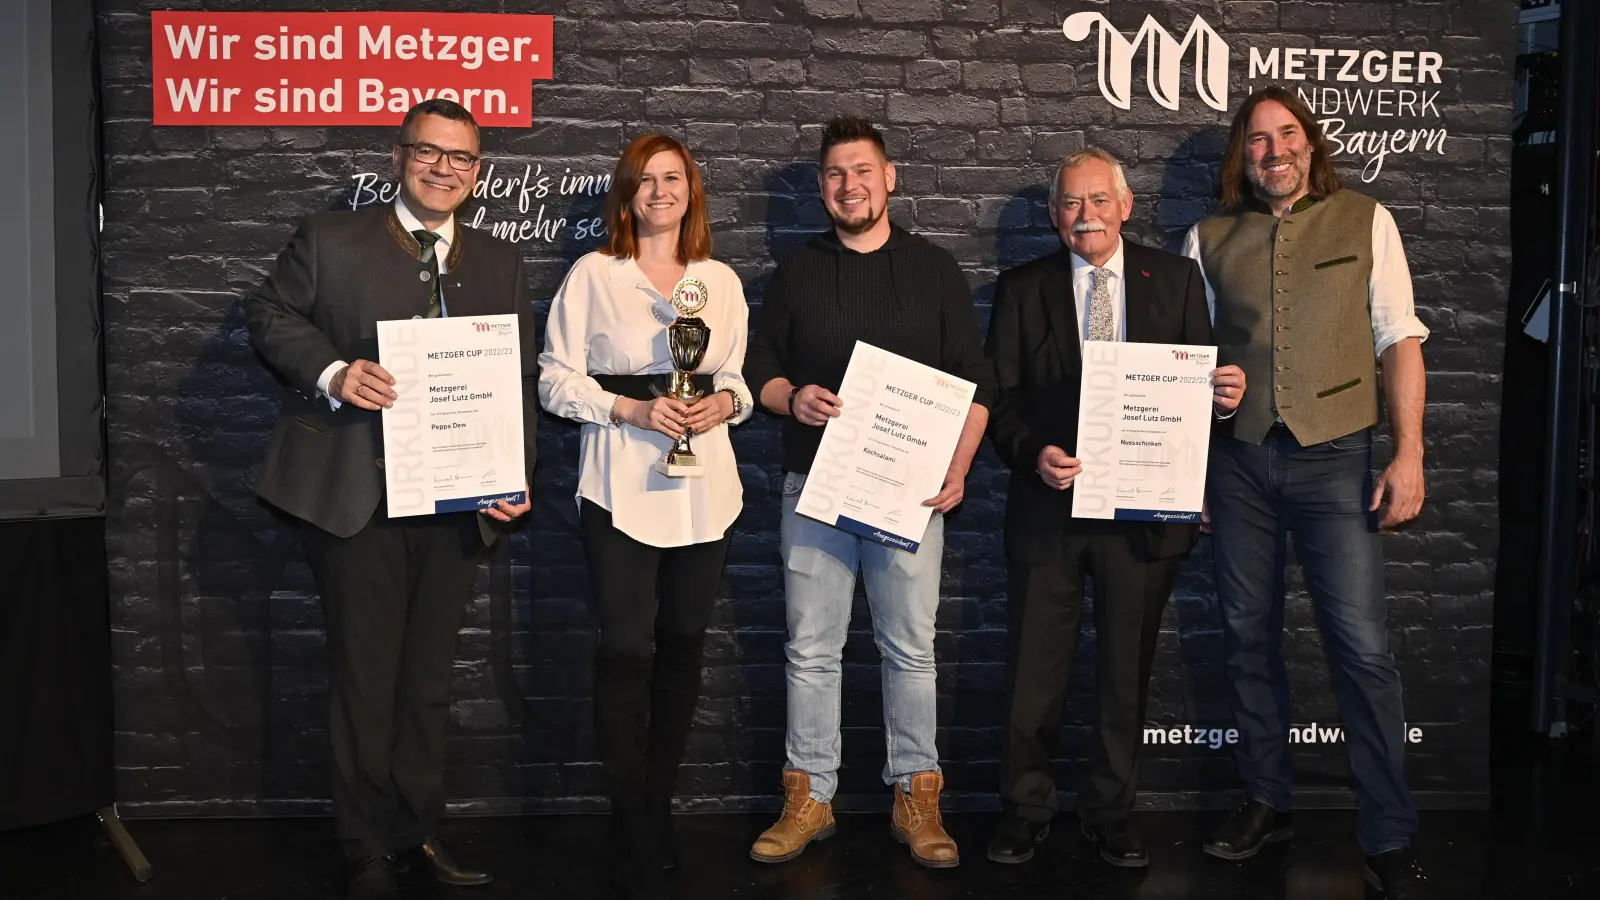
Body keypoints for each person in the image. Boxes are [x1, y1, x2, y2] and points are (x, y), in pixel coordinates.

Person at [245, 99, 535, 896]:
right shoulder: (330, 238)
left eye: (462, 158)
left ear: (478, 173)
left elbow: (513, 381)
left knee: (429, 683)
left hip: (456, 503)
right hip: (354, 497)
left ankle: (417, 832)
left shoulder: (500, 262)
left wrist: (514, 479)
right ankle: (363, 845)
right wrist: (336, 373)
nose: (445, 168)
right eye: (429, 153)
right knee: (365, 679)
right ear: (400, 156)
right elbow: (266, 314)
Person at [1181, 85, 1431, 898]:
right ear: (1240, 155)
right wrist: (1198, 428)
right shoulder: (1207, 237)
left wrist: (1409, 453)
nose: (1273, 151)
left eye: (1287, 135)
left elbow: (1399, 339)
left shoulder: (1367, 220)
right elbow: (1184, 357)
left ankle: (1387, 832)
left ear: (1310, 144)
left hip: (1338, 460)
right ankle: (1266, 797)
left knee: (1360, 648)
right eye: (1256, 140)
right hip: (1240, 462)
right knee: (1245, 636)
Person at [743, 116, 996, 869]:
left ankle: (917, 796)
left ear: (890, 179)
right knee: (811, 650)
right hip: (813, 491)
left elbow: (976, 383)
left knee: (910, 650)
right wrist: (796, 399)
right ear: (822, 188)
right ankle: (809, 795)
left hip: (909, 496)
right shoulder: (795, 272)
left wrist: (959, 466)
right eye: (834, 175)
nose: (849, 186)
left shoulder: (935, 270)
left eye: (862, 171)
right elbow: (763, 374)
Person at [982, 148, 1246, 868]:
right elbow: (998, 399)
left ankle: (1112, 810)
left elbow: (1196, 395)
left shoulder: (1179, 280)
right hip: (1049, 509)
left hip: (1143, 514)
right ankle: (1025, 807)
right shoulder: (1021, 287)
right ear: (1053, 215)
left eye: (1098, 201)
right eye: (1070, 204)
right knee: (1035, 671)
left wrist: (1222, 402)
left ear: (1126, 206)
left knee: (1126, 673)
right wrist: (1032, 449)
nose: (1085, 216)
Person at [539, 133, 753, 900]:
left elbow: (734, 376)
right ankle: (630, 816)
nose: (660, 191)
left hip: (705, 491)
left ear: (692, 189)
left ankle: (655, 805)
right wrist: (627, 407)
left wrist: (729, 401)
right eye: (645, 180)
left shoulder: (719, 280)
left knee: (685, 646)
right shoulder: (595, 274)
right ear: (625, 194)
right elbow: (553, 381)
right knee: (626, 650)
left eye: (673, 178)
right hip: (620, 486)